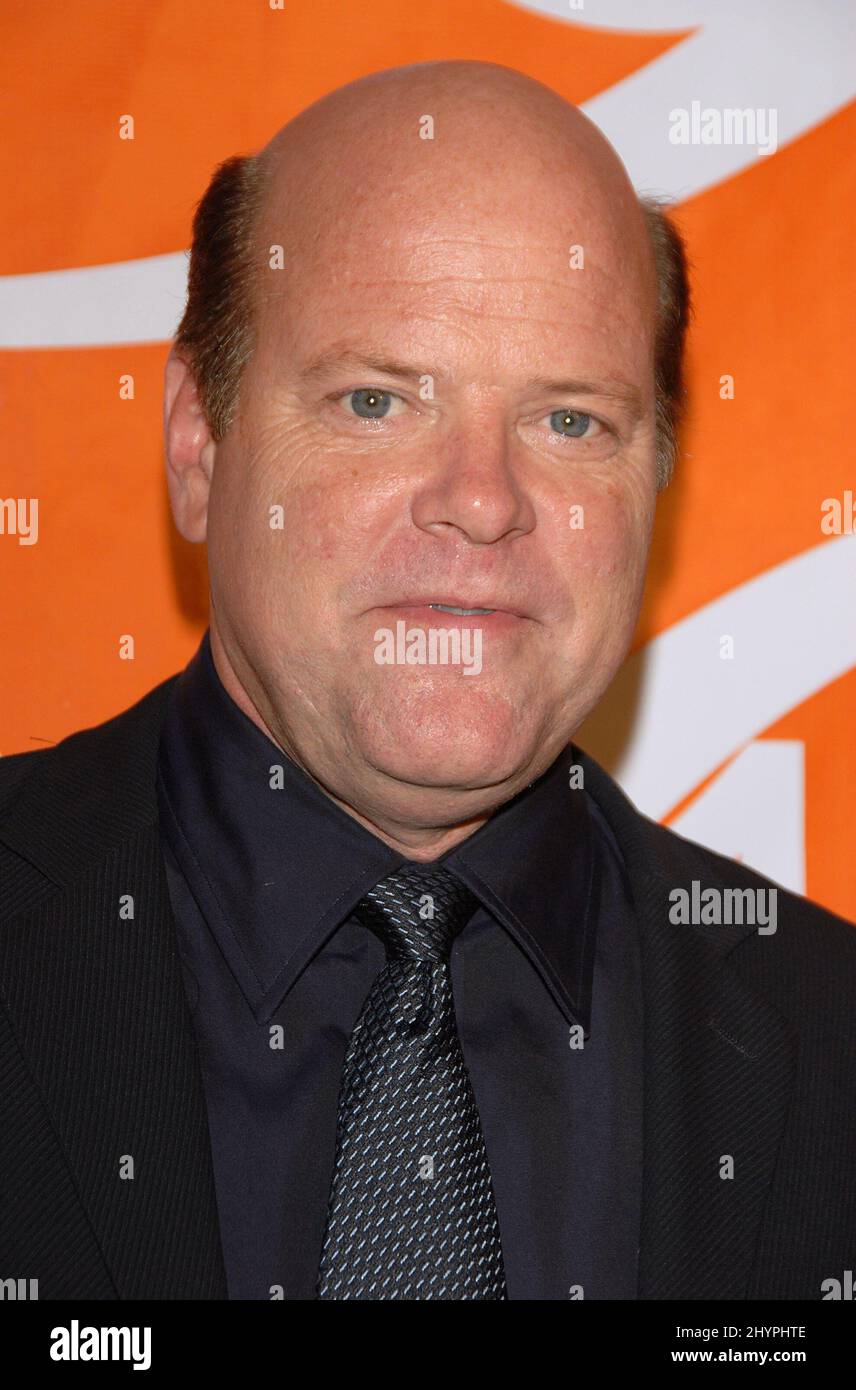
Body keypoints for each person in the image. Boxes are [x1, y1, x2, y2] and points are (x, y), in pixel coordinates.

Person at [1, 60, 853, 1302]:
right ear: (198, 442)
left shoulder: (828, 1043)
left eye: (570, 420)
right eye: (377, 399)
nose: (482, 499)